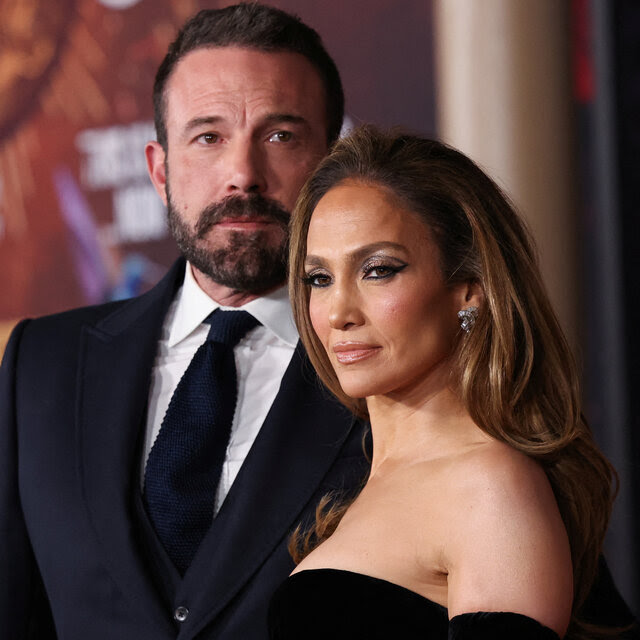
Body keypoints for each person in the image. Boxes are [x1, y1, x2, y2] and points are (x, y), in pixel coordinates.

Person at [0, 5, 368, 639]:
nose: (242, 175)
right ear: (159, 169)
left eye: (280, 135)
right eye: (208, 137)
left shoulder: (398, 373)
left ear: (332, 164)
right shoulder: (42, 365)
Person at [269, 125, 640, 639]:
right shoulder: (368, 483)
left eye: (378, 270)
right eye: (319, 278)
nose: (338, 312)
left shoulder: (487, 484)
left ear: (469, 290)